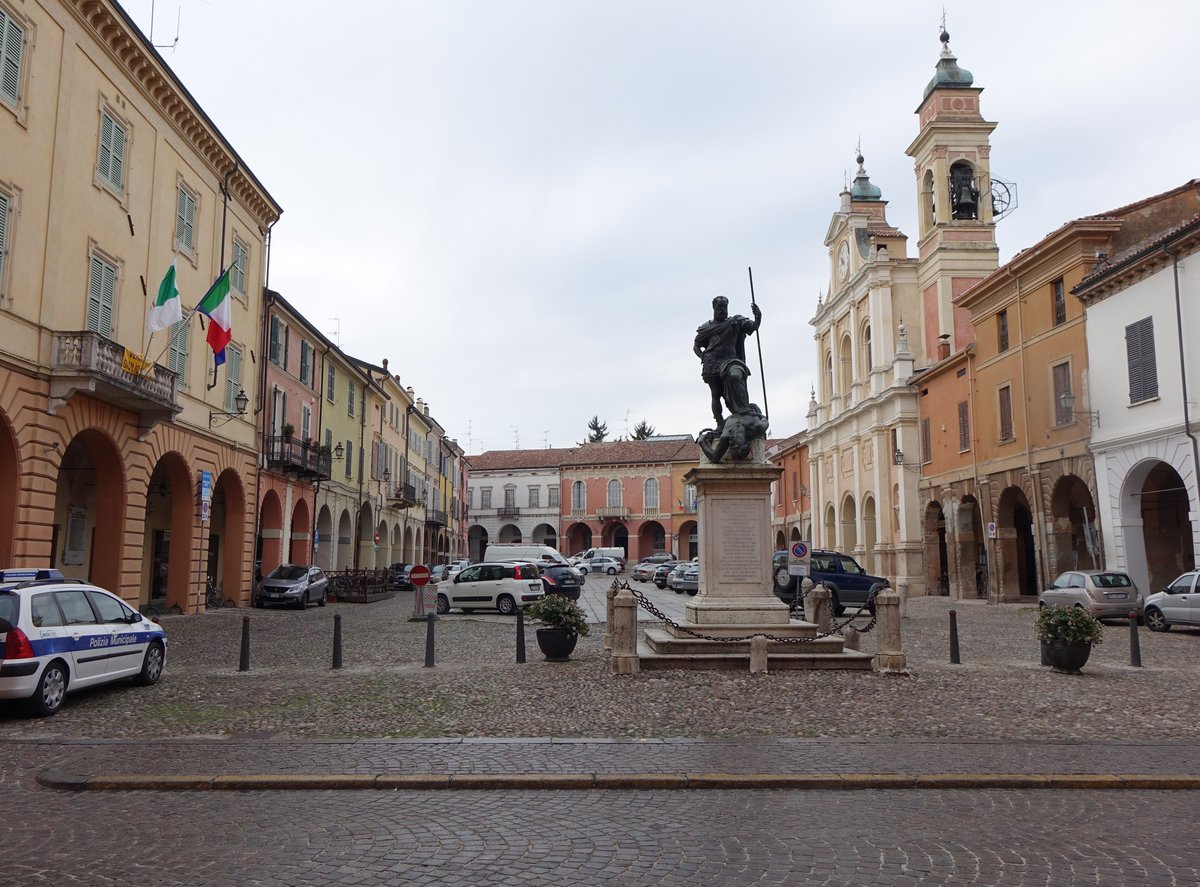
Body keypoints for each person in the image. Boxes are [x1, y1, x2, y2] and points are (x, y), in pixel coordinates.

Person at [693, 296, 762, 429]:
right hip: (712, 364)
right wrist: (703, 357)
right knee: (716, 394)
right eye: (720, 307)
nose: (722, 310)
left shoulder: (735, 321)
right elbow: (696, 345)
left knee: (735, 375)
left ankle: (743, 410)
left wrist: (758, 317)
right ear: (714, 307)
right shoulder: (705, 328)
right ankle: (719, 423)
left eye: (725, 307)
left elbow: (752, 327)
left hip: (731, 361)